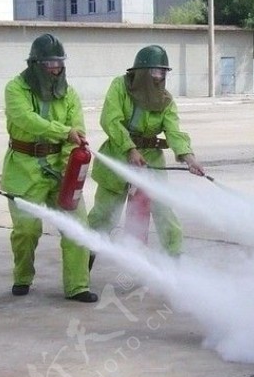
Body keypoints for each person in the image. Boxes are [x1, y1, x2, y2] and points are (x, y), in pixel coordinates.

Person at [3, 34, 97, 303]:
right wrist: (64, 131)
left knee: (78, 226)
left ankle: (78, 286)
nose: (56, 68)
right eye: (49, 63)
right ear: (35, 64)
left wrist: (70, 172)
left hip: (60, 169)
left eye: (59, 62)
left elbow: (77, 130)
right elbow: (26, 119)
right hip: (24, 169)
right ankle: (22, 276)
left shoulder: (70, 94)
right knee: (26, 230)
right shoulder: (15, 89)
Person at [87, 44, 206, 256]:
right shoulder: (119, 87)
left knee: (163, 211)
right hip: (118, 154)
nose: (159, 77)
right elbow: (110, 120)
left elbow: (173, 131)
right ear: (140, 73)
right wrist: (130, 149)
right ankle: (84, 265)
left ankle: (174, 261)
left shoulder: (166, 100)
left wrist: (189, 158)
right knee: (104, 214)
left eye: (163, 72)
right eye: (154, 71)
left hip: (151, 160)